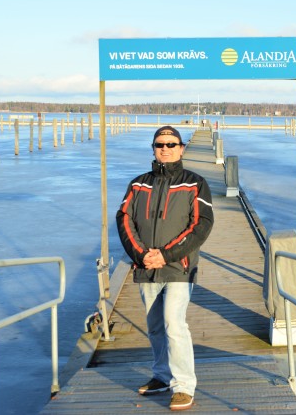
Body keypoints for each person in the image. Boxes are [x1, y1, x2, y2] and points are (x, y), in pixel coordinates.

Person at [116, 125, 214, 411]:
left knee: (174, 322)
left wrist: (167, 255)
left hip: (179, 267)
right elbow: (124, 219)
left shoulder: (195, 182)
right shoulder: (138, 184)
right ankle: (162, 375)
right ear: (153, 147)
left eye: (172, 144)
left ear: (181, 148)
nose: (166, 148)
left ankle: (183, 385)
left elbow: (201, 225)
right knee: (156, 326)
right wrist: (141, 254)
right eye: (160, 144)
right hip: (146, 266)